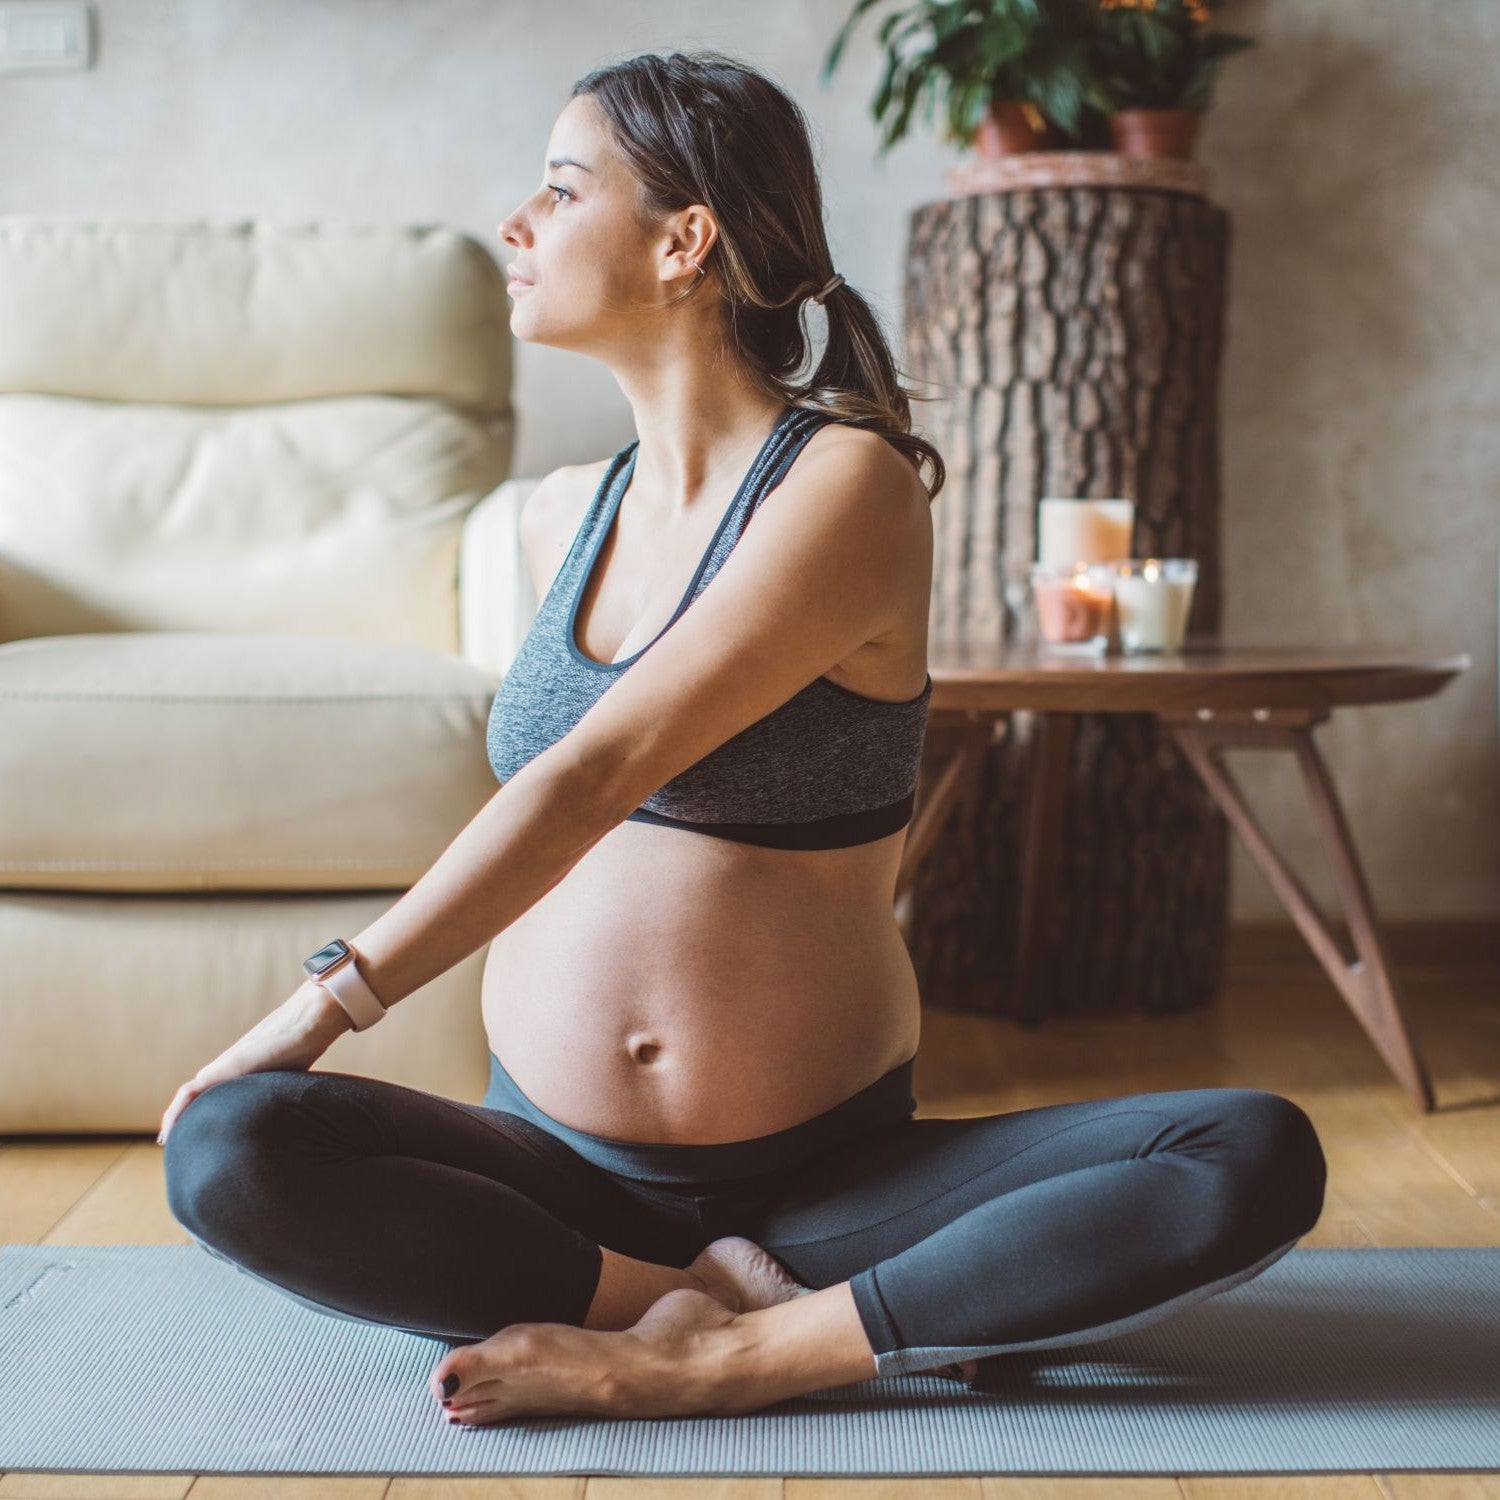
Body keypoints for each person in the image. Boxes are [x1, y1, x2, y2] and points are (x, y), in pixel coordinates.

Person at [159, 49, 1327, 1427]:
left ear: (685, 241)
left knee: (1246, 1153)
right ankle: (683, 1299)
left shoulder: (847, 485)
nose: (516, 225)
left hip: (824, 1187)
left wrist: (319, 1006)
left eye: (559, 190)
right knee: (230, 1148)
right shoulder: (557, 518)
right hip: (555, 1175)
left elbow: (593, 775)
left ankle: (717, 1358)